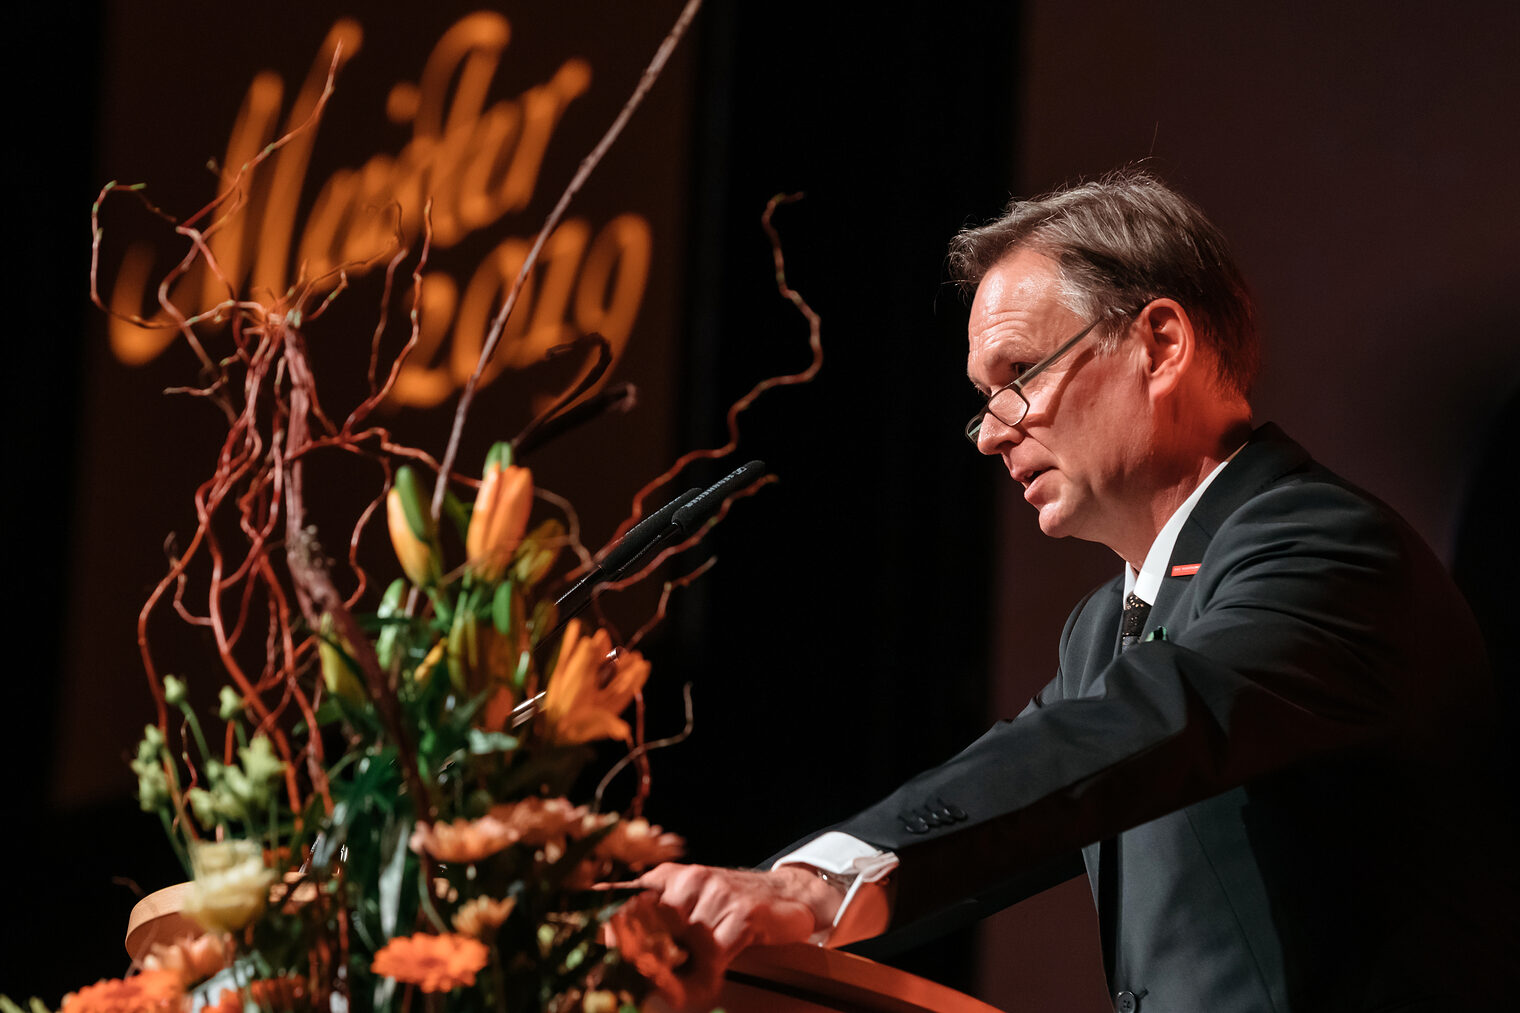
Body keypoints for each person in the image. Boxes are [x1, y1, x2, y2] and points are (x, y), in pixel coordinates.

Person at [632, 170, 1515, 1011]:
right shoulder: (1103, 626)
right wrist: (755, 912)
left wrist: (806, 887)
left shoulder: (1324, 550)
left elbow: (1130, 729)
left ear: (1160, 345)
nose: (987, 434)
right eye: (981, 399)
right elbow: (1011, 812)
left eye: (1017, 376)